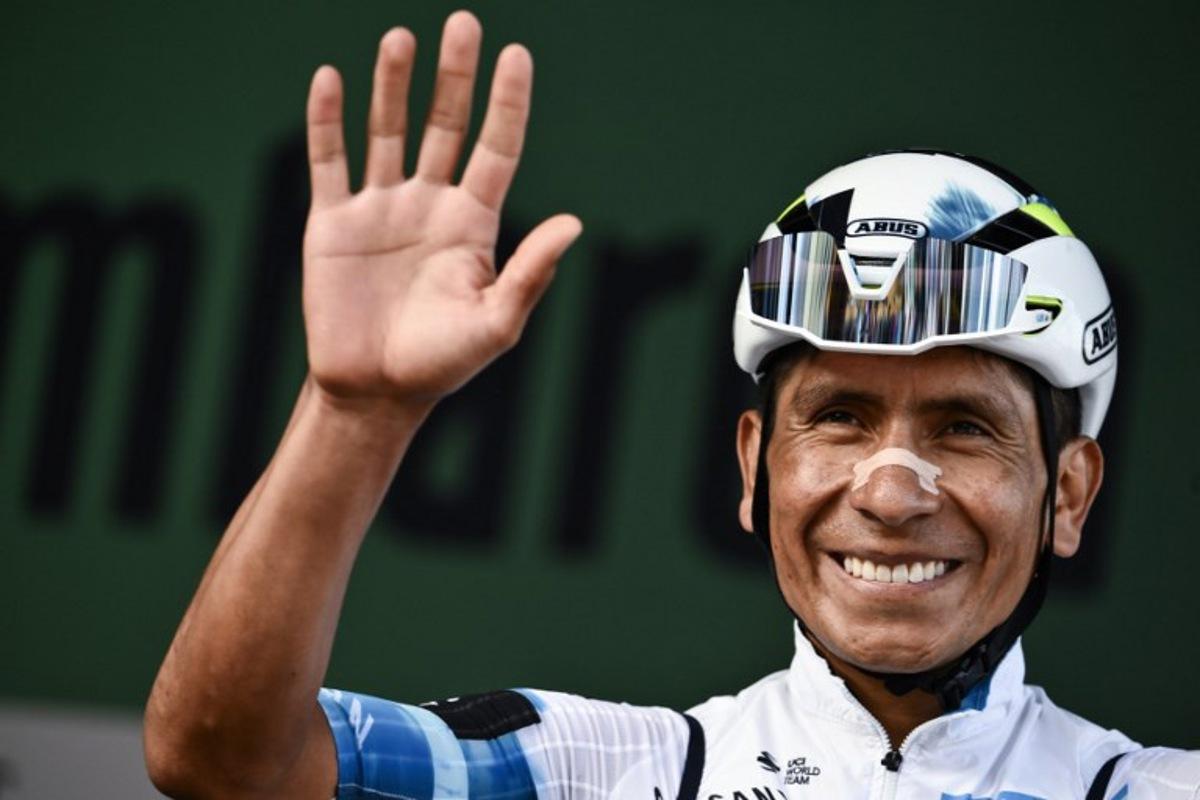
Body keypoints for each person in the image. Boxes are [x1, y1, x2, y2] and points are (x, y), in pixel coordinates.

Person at [143, 11, 1200, 800]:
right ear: (753, 467)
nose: (890, 488)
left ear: (1068, 491)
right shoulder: (609, 771)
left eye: (963, 425)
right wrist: (354, 413)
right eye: (838, 415)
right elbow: (224, 757)